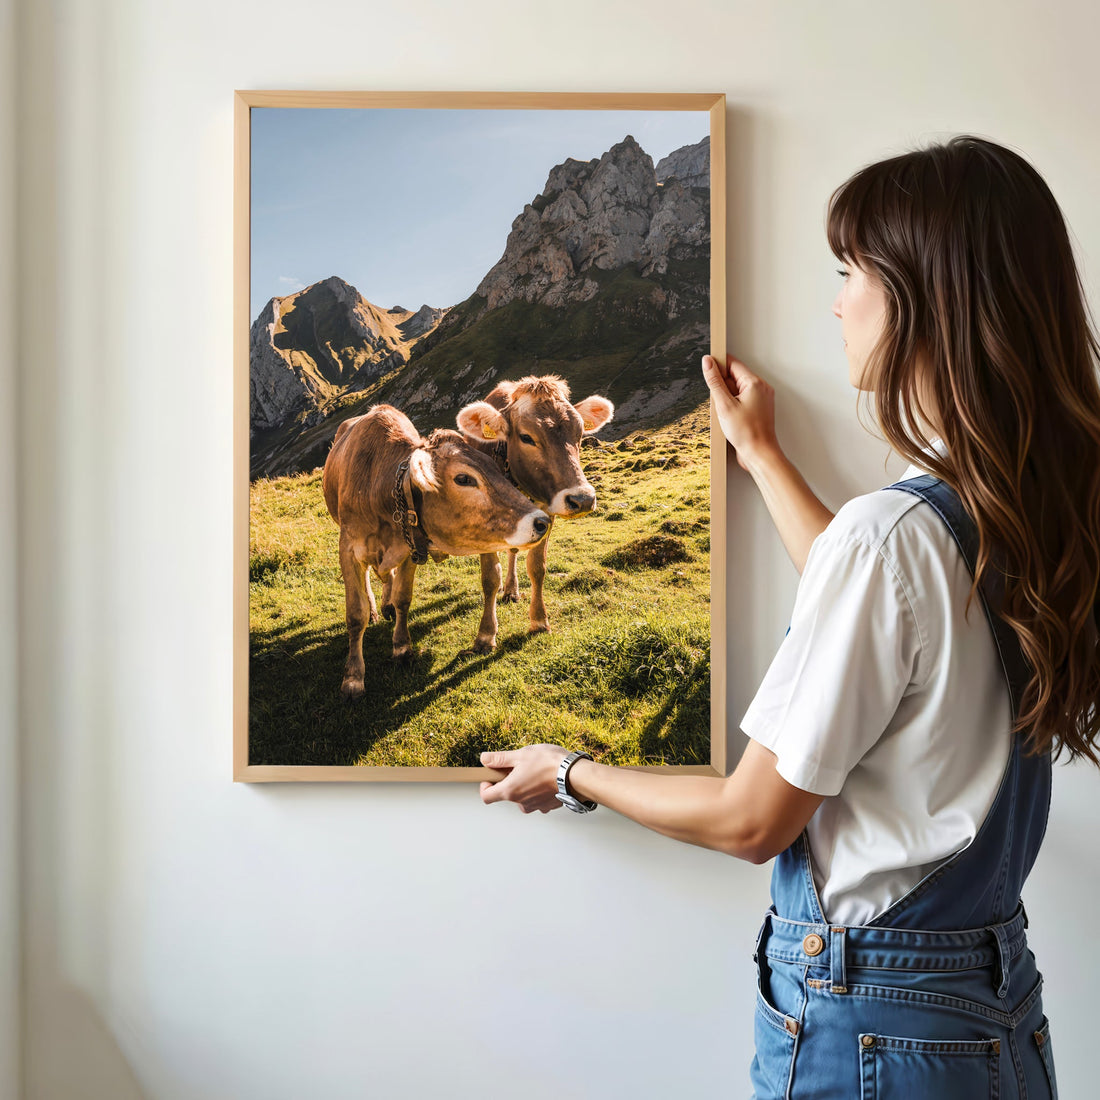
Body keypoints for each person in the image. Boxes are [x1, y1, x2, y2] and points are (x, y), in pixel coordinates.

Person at [477, 134, 1100, 1098]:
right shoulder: (1018, 505)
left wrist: (569, 772)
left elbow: (750, 819)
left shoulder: (895, 535)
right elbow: (889, 621)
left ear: (925, 299)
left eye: (852, 271)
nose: (838, 299)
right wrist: (763, 455)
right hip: (988, 1012)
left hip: (873, 1028)